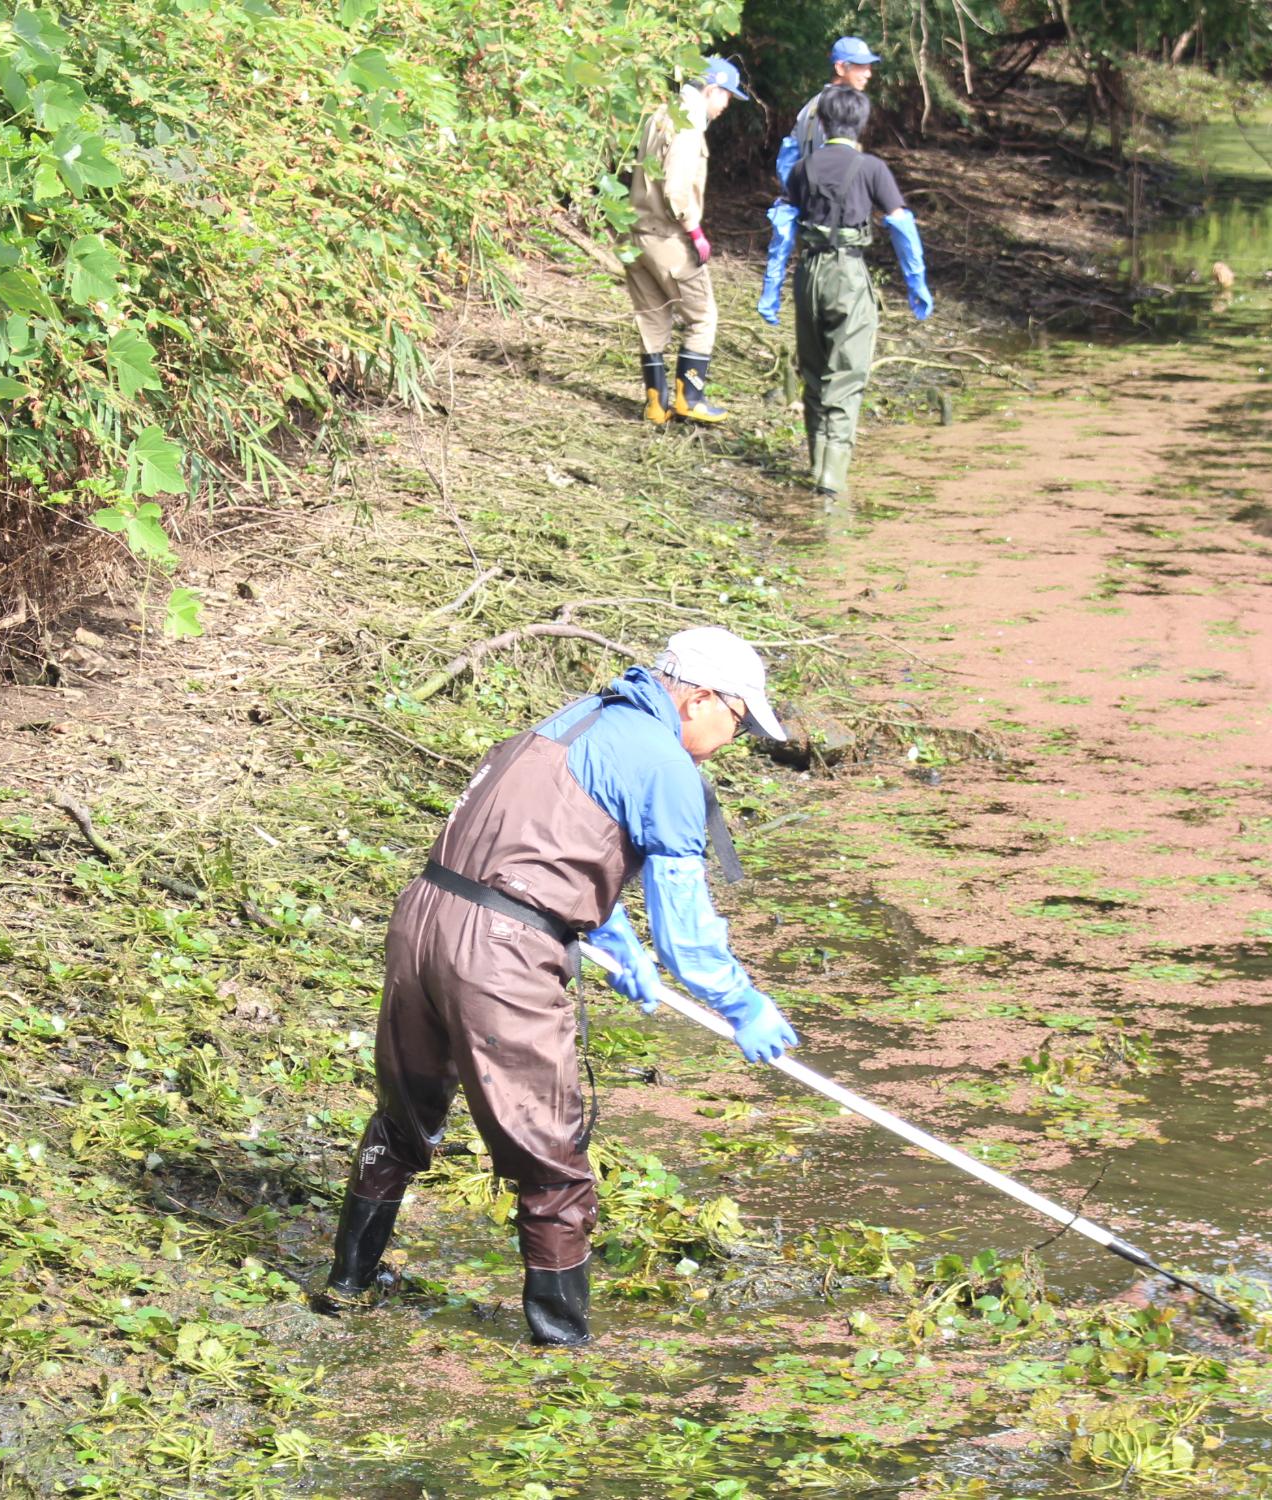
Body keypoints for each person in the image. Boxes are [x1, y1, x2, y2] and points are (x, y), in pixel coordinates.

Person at [318, 627, 799, 1346]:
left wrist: (612, 937)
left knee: (405, 1115)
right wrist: (741, 1004)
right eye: (737, 721)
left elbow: (542, 841)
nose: (733, 739)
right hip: (501, 955)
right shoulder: (664, 762)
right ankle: (562, 1344)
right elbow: (686, 933)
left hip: (423, 917)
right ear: (700, 698)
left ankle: (347, 1283)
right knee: (552, 1159)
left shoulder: (574, 719)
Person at [759, 85, 934, 497]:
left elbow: (782, 230)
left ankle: (817, 464)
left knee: (815, 373)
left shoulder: (802, 170)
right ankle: (832, 482)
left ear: (820, 123)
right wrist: (917, 284)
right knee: (848, 375)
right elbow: (902, 226)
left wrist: (772, 290)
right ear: (862, 124)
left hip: (808, 275)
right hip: (849, 276)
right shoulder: (871, 168)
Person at [624, 57, 747, 426]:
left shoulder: (659, 113)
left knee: (651, 317)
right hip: (668, 237)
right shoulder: (690, 123)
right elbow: (676, 189)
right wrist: (695, 231)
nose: (725, 106)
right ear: (712, 89)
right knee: (703, 316)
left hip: (635, 234)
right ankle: (689, 398)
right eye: (726, 96)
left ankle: (656, 405)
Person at [774, 36, 881, 187]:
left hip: (810, 199)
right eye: (860, 66)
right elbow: (836, 159)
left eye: (869, 67)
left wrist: (798, 197)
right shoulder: (841, 108)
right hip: (830, 200)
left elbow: (787, 160)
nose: (868, 74)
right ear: (840, 68)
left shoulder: (809, 106)